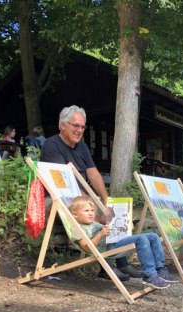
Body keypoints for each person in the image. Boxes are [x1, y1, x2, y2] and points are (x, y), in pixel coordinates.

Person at [41, 105, 141, 281]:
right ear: (62, 125)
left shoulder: (82, 146)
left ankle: (121, 262)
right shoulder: (52, 145)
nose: (80, 130)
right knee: (92, 214)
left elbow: (93, 173)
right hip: (57, 198)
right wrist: (92, 204)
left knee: (112, 215)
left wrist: (105, 200)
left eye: (82, 126)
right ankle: (106, 265)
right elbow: (63, 183)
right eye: (75, 125)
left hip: (80, 197)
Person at [69, 195, 178, 289]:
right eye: (86, 211)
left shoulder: (95, 224)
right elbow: (87, 248)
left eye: (92, 211)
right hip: (109, 249)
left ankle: (160, 269)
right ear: (74, 214)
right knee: (142, 239)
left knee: (153, 236)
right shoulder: (77, 229)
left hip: (116, 241)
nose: (91, 213)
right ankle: (149, 275)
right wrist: (101, 234)